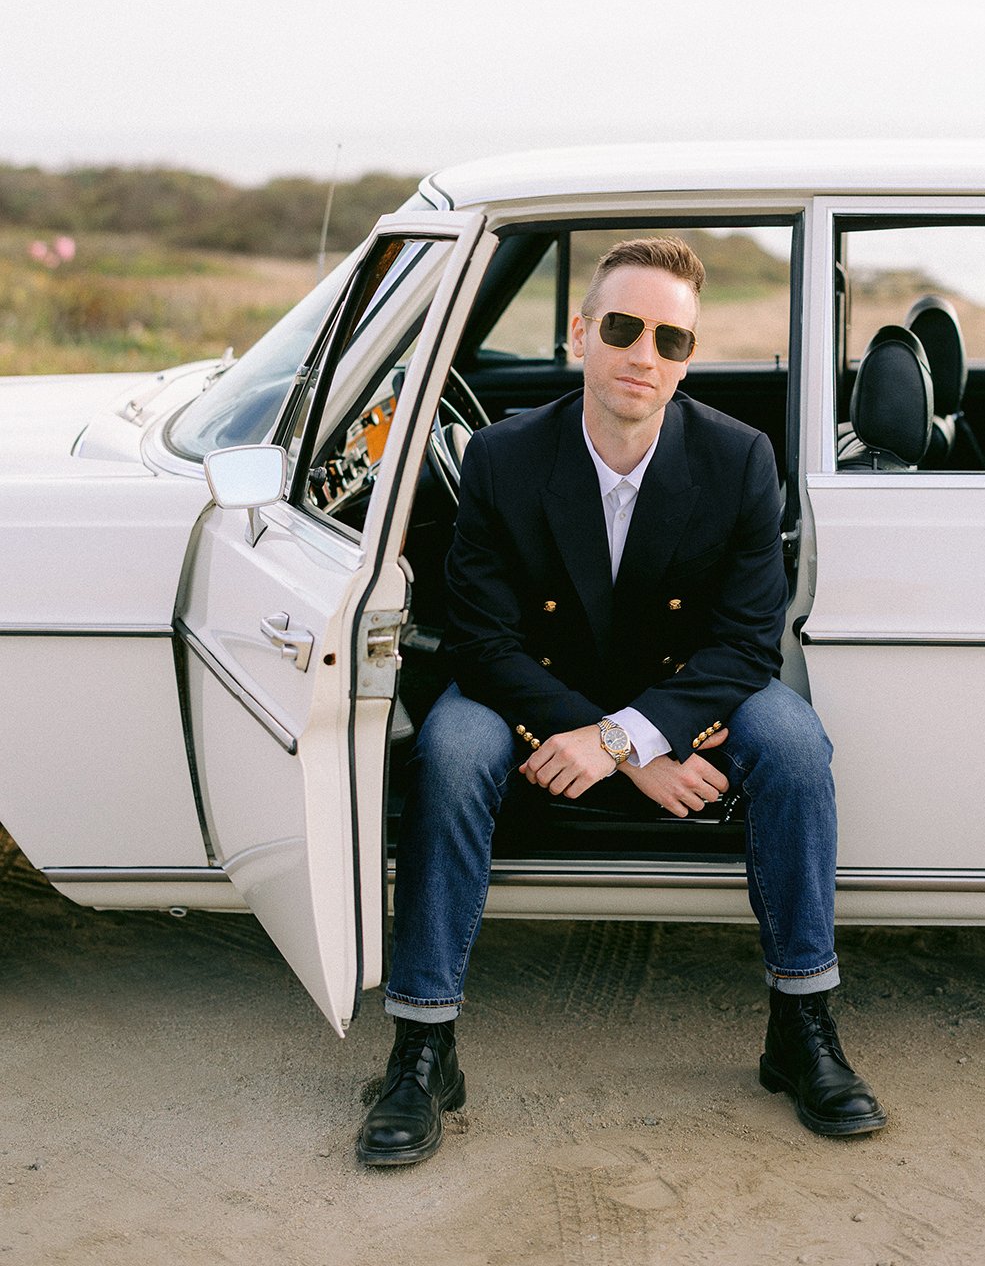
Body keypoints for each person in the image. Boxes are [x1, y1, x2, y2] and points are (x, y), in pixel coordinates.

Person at [357, 236, 885, 1165]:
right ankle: (422, 1045)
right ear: (579, 333)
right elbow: (484, 641)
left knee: (796, 748)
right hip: (530, 691)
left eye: (671, 340)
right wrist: (619, 744)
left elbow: (744, 643)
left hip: (681, 697)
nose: (645, 354)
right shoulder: (503, 456)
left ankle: (802, 1028)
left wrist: (630, 739)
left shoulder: (738, 459)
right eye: (623, 327)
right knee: (450, 752)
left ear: (689, 355)